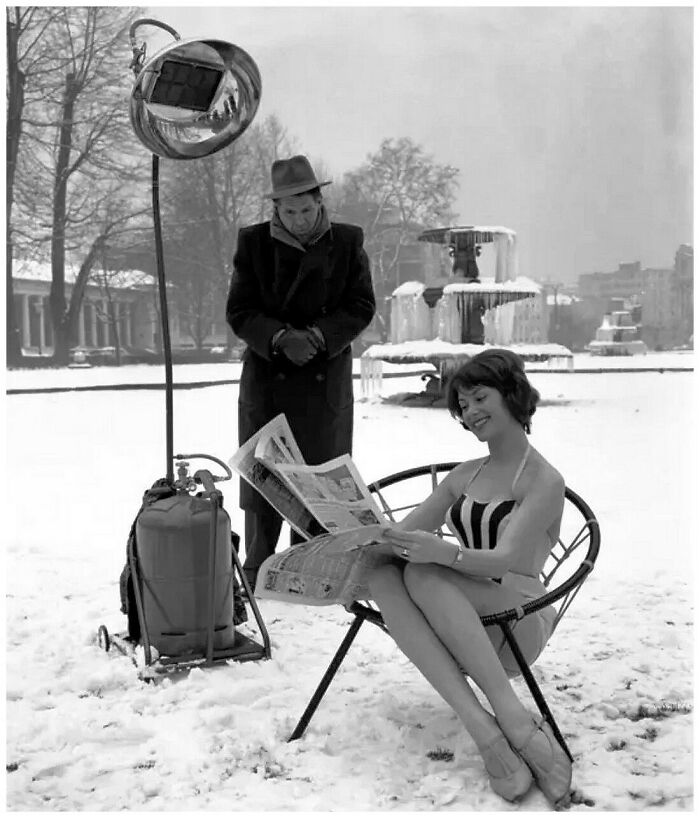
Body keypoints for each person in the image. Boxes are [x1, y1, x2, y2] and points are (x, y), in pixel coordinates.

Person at [369, 349, 571, 806]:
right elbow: (401, 536)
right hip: (458, 620)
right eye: (463, 405)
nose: (471, 412)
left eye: (480, 397)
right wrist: (349, 546)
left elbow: (502, 561)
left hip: (519, 619)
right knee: (383, 577)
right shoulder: (463, 475)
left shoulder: (542, 479)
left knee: (424, 573)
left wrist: (444, 551)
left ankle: (511, 715)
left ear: (512, 395)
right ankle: (485, 731)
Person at [226, 155, 376, 591]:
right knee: (264, 472)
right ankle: (258, 563)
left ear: (319, 201)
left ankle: (312, 563)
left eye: (306, 210)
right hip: (268, 378)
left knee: (318, 473)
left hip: (323, 379)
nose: (298, 220)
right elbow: (240, 309)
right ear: (276, 209)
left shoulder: (347, 242)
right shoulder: (253, 244)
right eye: (289, 212)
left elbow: (361, 305)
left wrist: (319, 336)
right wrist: (276, 338)